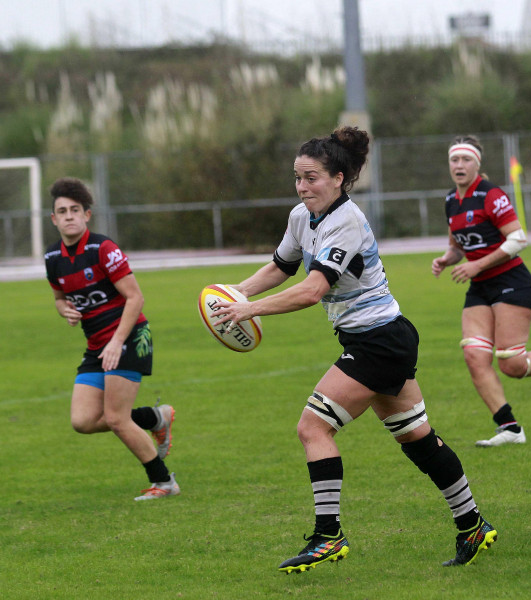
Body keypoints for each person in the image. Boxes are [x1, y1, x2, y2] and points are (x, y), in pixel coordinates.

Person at [210, 127, 496, 573]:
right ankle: (473, 525)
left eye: (312, 177)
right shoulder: (301, 217)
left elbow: (311, 290)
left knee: (313, 428)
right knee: (418, 440)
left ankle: (328, 536)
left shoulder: (347, 221)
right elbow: (282, 267)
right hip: (378, 339)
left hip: (379, 342)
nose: (303, 187)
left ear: (339, 178)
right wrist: (230, 294)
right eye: (298, 178)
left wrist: (247, 310)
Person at [431, 135, 531, 447]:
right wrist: (447, 259)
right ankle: (509, 427)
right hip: (480, 287)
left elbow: (518, 238)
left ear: (476, 164)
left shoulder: (490, 194)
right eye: (454, 159)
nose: (459, 165)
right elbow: (458, 246)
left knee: (511, 363)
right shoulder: (450, 200)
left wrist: (476, 265)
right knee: (474, 356)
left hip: (512, 282)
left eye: (465, 159)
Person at [44, 177, 177, 501]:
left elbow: (135, 298)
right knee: (84, 420)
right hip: (96, 346)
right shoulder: (53, 258)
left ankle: (164, 483)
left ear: (87, 214)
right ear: (54, 219)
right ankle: (154, 417)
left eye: (75, 209)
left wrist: (117, 342)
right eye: (62, 211)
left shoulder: (103, 249)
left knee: (116, 418)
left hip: (130, 336)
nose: (69, 216)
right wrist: (64, 310)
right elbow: (60, 297)